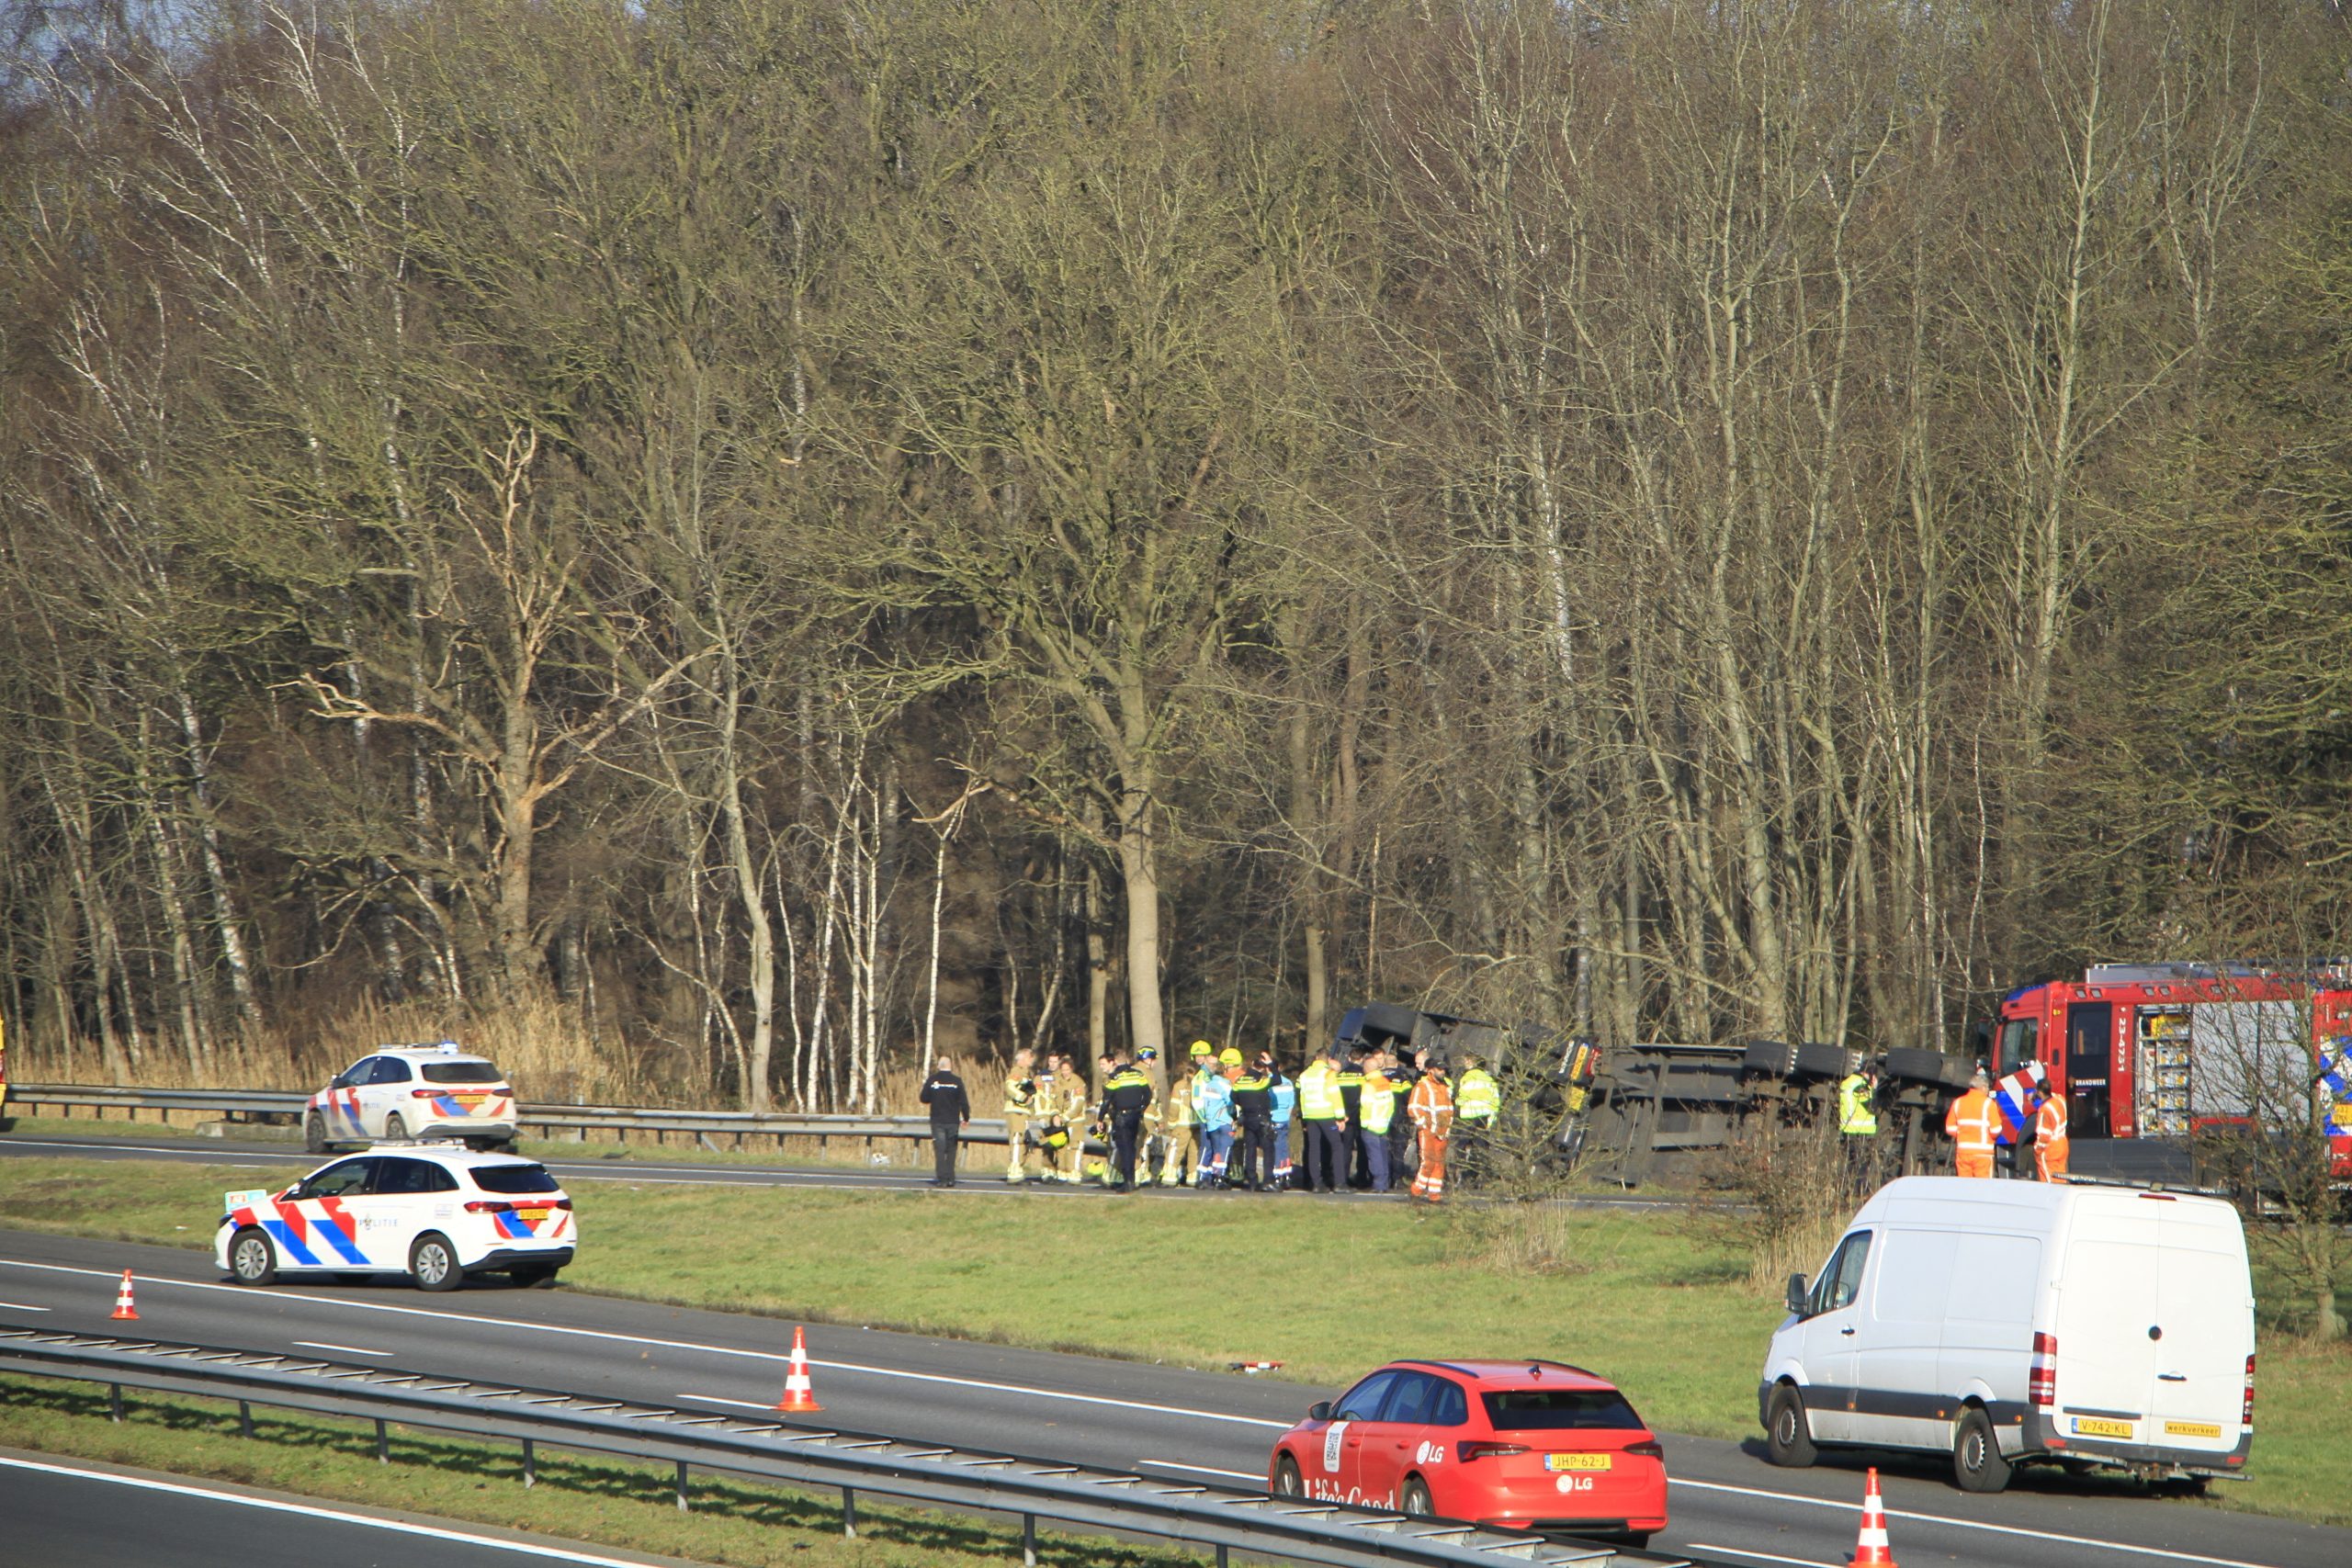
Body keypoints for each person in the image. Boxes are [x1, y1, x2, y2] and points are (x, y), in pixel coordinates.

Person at [1098, 1052, 1155, 1192]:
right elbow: (1148, 1094)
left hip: (1121, 1116)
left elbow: (1107, 1100)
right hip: (1135, 1115)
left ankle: (1128, 1182)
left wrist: (1100, 1118)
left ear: (1116, 1062)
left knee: (1124, 1149)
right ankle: (1132, 1181)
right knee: (1132, 1147)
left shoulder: (1115, 1077)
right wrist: (1141, 1108)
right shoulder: (1138, 1075)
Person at [1296, 1045, 1347, 1192]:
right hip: (1326, 1115)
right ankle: (1339, 1183)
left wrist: (1304, 1117)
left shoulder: (1304, 1075)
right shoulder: (1329, 1074)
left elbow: (1302, 1097)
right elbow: (1335, 1096)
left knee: (1314, 1148)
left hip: (1310, 1115)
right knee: (1337, 1146)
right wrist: (1340, 1117)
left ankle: (1316, 1183)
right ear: (1328, 1059)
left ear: (1316, 1058)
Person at [918, 1055, 971, 1187]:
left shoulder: (932, 1080)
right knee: (951, 1149)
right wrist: (966, 1118)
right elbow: (964, 1102)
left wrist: (935, 1096)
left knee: (940, 1149)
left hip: (937, 1120)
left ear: (938, 1066)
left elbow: (924, 1098)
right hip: (952, 1120)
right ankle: (951, 1178)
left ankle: (942, 1179)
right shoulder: (956, 1081)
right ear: (950, 1066)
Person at [1408, 1054, 1454, 1202]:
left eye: (1444, 1069)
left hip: (1443, 1131)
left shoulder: (1445, 1087)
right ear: (1431, 1070)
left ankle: (1434, 1195)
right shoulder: (1422, 1086)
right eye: (1439, 1069)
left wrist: (1447, 1127)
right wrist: (1423, 1126)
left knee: (1439, 1163)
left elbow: (1449, 1109)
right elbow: (1413, 1108)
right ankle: (1416, 1191)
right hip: (1428, 1130)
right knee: (1428, 1162)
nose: (1442, 1072)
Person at [1453, 1053, 1500, 1188]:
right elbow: (1495, 1102)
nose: (1464, 1064)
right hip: (1483, 1118)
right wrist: (1491, 1121)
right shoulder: (1489, 1079)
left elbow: (1462, 1097)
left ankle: (1460, 1175)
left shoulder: (1467, 1077)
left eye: (1466, 1061)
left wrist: (1455, 1104)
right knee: (1480, 1147)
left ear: (1471, 1063)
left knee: (1461, 1146)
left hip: (1468, 1116)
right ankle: (1476, 1177)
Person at [1836, 1061, 1881, 1197]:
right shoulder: (1861, 1085)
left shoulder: (1848, 1082)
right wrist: (1875, 1089)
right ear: (1871, 1074)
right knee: (1861, 1165)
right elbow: (1872, 1107)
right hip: (1860, 1131)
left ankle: (1846, 1191)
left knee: (1851, 1163)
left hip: (1848, 1129)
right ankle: (1860, 1192)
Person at [1358, 1048, 1400, 1192]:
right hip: (1383, 1123)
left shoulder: (1369, 1084)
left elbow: (1366, 1106)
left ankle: (1378, 1184)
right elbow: (1391, 1103)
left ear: (1367, 1068)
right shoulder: (1384, 1082)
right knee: (1383, 1155)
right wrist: (1386, 1119)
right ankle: (1384, 1182)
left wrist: (1365, 1124)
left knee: (1374, 1156)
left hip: (1371, 1125)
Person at [1001, 1048, 1046, 1185]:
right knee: (1017, 1139)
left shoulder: (1026, 1073)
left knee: (1021, 1140)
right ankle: (1014, 1172)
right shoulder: (1017, 1071)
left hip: (1023, 1111)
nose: (1031, 1060)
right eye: (1028, 1057)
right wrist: (1024, 1098)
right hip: (1016, 1110)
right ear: (1021, 1059)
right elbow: (1009, 1087)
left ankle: (1018, 1171)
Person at [1232, 1055, 1276, 1190]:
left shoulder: (1240, 1080)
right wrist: (1271, 1064)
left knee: (1250, 1149)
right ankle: (1268, 1180)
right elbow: (1277, 1079)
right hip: (1261, 1118)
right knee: (1268, 1149)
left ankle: (1252, 1180)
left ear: (1251, 1063)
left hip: (1247, 1118)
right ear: (1263, 1067)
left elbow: (1233, 1097)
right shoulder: (1261, 1081)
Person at [1192, 1055, 1236, 1189]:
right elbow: (1231, 1102)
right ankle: (1214, 1177)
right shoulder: (1208, 1080)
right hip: (1218, 1120)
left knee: (1213, 1149)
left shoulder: (1209, 1082)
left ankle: (1206, 1177)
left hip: (1211, 1121)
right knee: (1219, 1149)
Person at [1946, 1066, 1996, 1179]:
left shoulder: (1958, 1102)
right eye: (1988, 1088)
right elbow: (1996, 1129)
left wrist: (1962, 1133)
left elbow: (1949, 1128)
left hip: (1963, 1153)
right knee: (1983, 1186)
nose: (1988, 1091)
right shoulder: (1989, 1104)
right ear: (1983, 1087)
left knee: (1965, 1185)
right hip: (1983, 1154)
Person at [1047, 1054, 1090, 1183]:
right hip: (1060, 1119)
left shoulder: (1078, 1082)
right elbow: (1052, 1100)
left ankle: (1074, 1172)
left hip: (1075, 1120)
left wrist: (1065, 1117)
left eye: (1067, 1069)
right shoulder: (1057, 1082)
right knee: (1061, 1146)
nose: (1065, 1072)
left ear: (1071, 1069)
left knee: (1074, 1146)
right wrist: (1055, 1115)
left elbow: (1078, 1104)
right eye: (1063, 1070)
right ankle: (1062, 1171)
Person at [1162, 1051, 1201, 1186]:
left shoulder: (1180, 1086)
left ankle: (1169, 1176)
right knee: (1195, 1151)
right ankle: (1193, 1176)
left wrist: (1171, 1123)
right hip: (1198, 1123)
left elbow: (1174, 1106)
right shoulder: (1201, 1084)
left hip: (1182, 1124)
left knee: (1175, 1149)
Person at [1339, 1047, 1370, 1188]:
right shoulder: (1364, 1076)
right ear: (1362, 1060)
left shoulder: (1340, 1075)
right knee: (1362, 1148)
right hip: (1360, 1116)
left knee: (1345, 1148)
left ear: (1349, 1058)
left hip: (1344, 1117)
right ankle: (1361, 1178)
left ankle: (1343, 1178)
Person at [1268, 1055, 1298, 1190]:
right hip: (1285, 1118)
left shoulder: (1268, 1083)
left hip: (1274, 1118)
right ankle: (1286, 1174)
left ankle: (1277, 1174)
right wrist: (1287, 1116)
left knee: (1276, 1148)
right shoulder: (1288, 1082)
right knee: (1284, 1147)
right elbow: (1291, 1103)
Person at [2032, 1086, 2070, 1182]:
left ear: (2040, 1092)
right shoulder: (2060, 1100)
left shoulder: (2044, 1109)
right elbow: (2054, 1095)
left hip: (2050, 1148)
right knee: (2060, 1177)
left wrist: (2037, 1150)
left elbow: (2044, 1136)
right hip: (2062, 1144)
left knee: (2048, 1179)